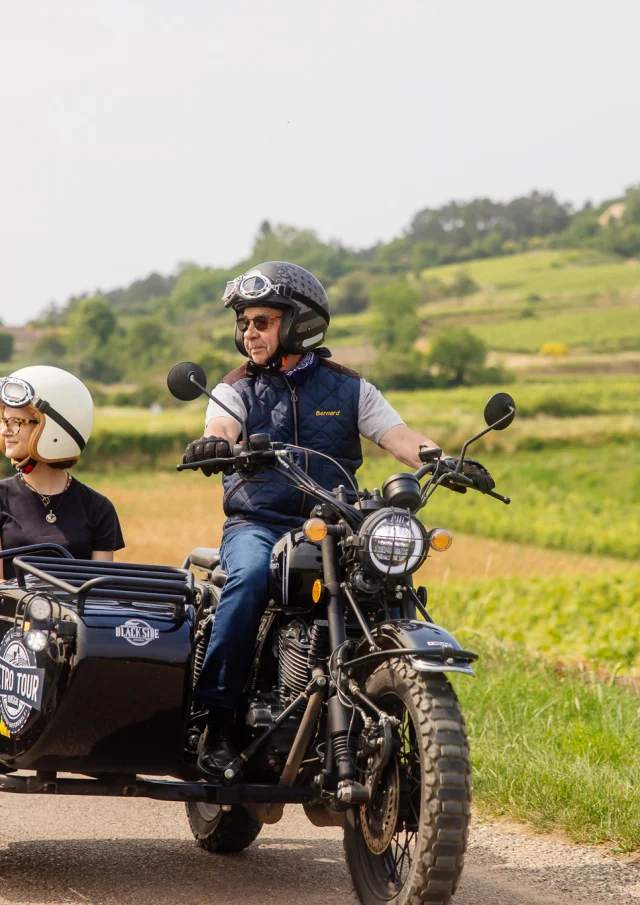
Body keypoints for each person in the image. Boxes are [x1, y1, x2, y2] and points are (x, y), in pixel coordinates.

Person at [183, 261, 494, 777]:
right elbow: (223, 423)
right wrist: (217, 442)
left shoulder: (350, 389)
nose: (249, 332)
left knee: (388, 588)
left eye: (262, 321)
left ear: (299, 322)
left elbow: (399, 437)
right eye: (245, 322)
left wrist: (443, 460)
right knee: (249, 580)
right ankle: (215, 721)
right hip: (259, 523)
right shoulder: (236, 389)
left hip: (337, 525)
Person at [0, 365, 124, 581]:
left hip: (76, 615)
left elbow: (99, 595)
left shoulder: (98, 508)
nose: (4, 431)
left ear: (56, 429)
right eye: (4, 420)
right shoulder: (1, 498)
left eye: (16, 422)